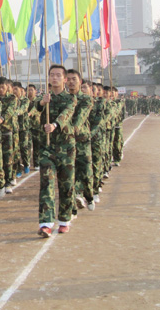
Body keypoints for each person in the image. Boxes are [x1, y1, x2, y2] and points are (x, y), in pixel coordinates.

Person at [36, 65, 76, 238]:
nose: (54, 78)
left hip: (66, 148)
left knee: (66, 186)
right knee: (47, 184)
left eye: (58, 75)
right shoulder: (45, 98)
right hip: (47, 148)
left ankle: (64, 219)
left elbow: (66, 114)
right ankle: (45, 223)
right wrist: (41, 103)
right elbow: (33, 111)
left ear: (64, 79)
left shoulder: (70, 98)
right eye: (52, 75)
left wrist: (54, 125)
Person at [66, 71, 94, 215]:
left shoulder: (86, 99)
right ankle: (74, 203)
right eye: (68, 79)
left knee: (86, 172)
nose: (71, 82)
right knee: (70, 174)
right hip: (66, 142)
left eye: (74, 79)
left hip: (82, 140)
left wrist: (74, 128)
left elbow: (81, 117)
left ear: (80, 81)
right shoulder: (63, 98)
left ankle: (89, 196)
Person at [0, 77, 18, 192]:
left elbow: (10, 111)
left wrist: (2, 118)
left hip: (7, 131)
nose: (0, 89)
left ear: (7, 87)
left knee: (8, 157)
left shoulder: (12, 98)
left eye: (2, 87)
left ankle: (8, 181)